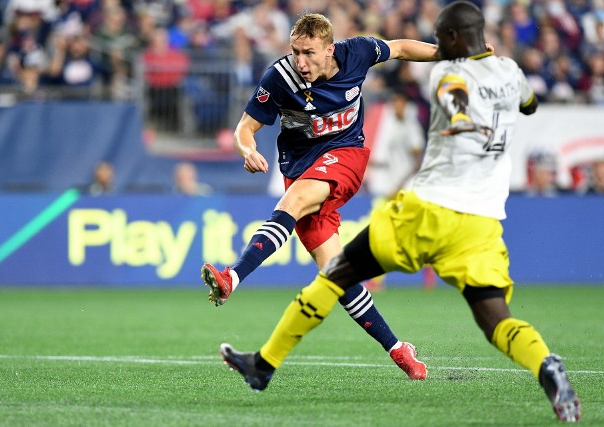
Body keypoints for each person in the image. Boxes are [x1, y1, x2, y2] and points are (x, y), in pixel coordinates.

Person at [218, 2, 581, 423]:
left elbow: (438, 81)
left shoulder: (449, 78)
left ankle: (256, 337)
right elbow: (530, 104)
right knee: (496, 319)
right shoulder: (511, 75)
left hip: (425, 208)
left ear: (450, 41)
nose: (300, 61)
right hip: (481, 223)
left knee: (337, 274)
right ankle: (543, 363)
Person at [200, 12, 450, 380]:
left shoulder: (358, 53)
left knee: (293, 202)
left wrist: (448, 53)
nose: (301, 62)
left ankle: (232, 277)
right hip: (300, 169)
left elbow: (399, 48)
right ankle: (399, 350)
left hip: (346, 157)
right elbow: (244, 127)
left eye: (309, 53)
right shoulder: (280, 78)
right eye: (295, 51)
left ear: (330, 49)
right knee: (337, 275)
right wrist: (247, 149)